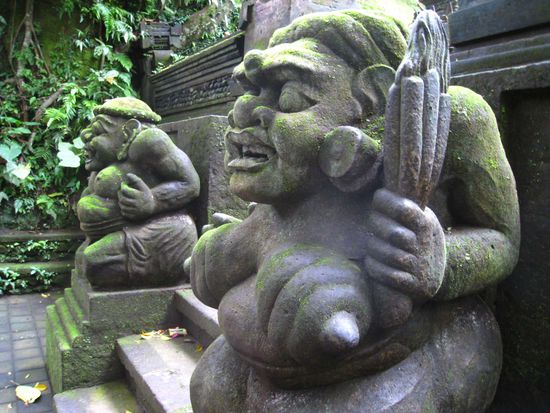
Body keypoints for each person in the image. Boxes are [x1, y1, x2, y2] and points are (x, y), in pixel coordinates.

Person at [189, 6, 519, 412]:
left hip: (403, 361)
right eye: (252, 94)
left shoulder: (457, 120)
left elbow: (503, 238)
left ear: (371, 97)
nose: (245, 114)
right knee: (210, 384)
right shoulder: (286, 178)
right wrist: (232, 247)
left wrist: (440, 261)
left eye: (290, 97)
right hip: (254, 366)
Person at [76, 97, 200, 289]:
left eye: (98, 132)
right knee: (83, 261)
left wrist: (153, 200)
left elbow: (190, 183)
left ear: (128, 131)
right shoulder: (107, 160)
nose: (87, 139)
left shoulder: (150, 141)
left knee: (93, 262)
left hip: (164, 233)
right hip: (125, 229)